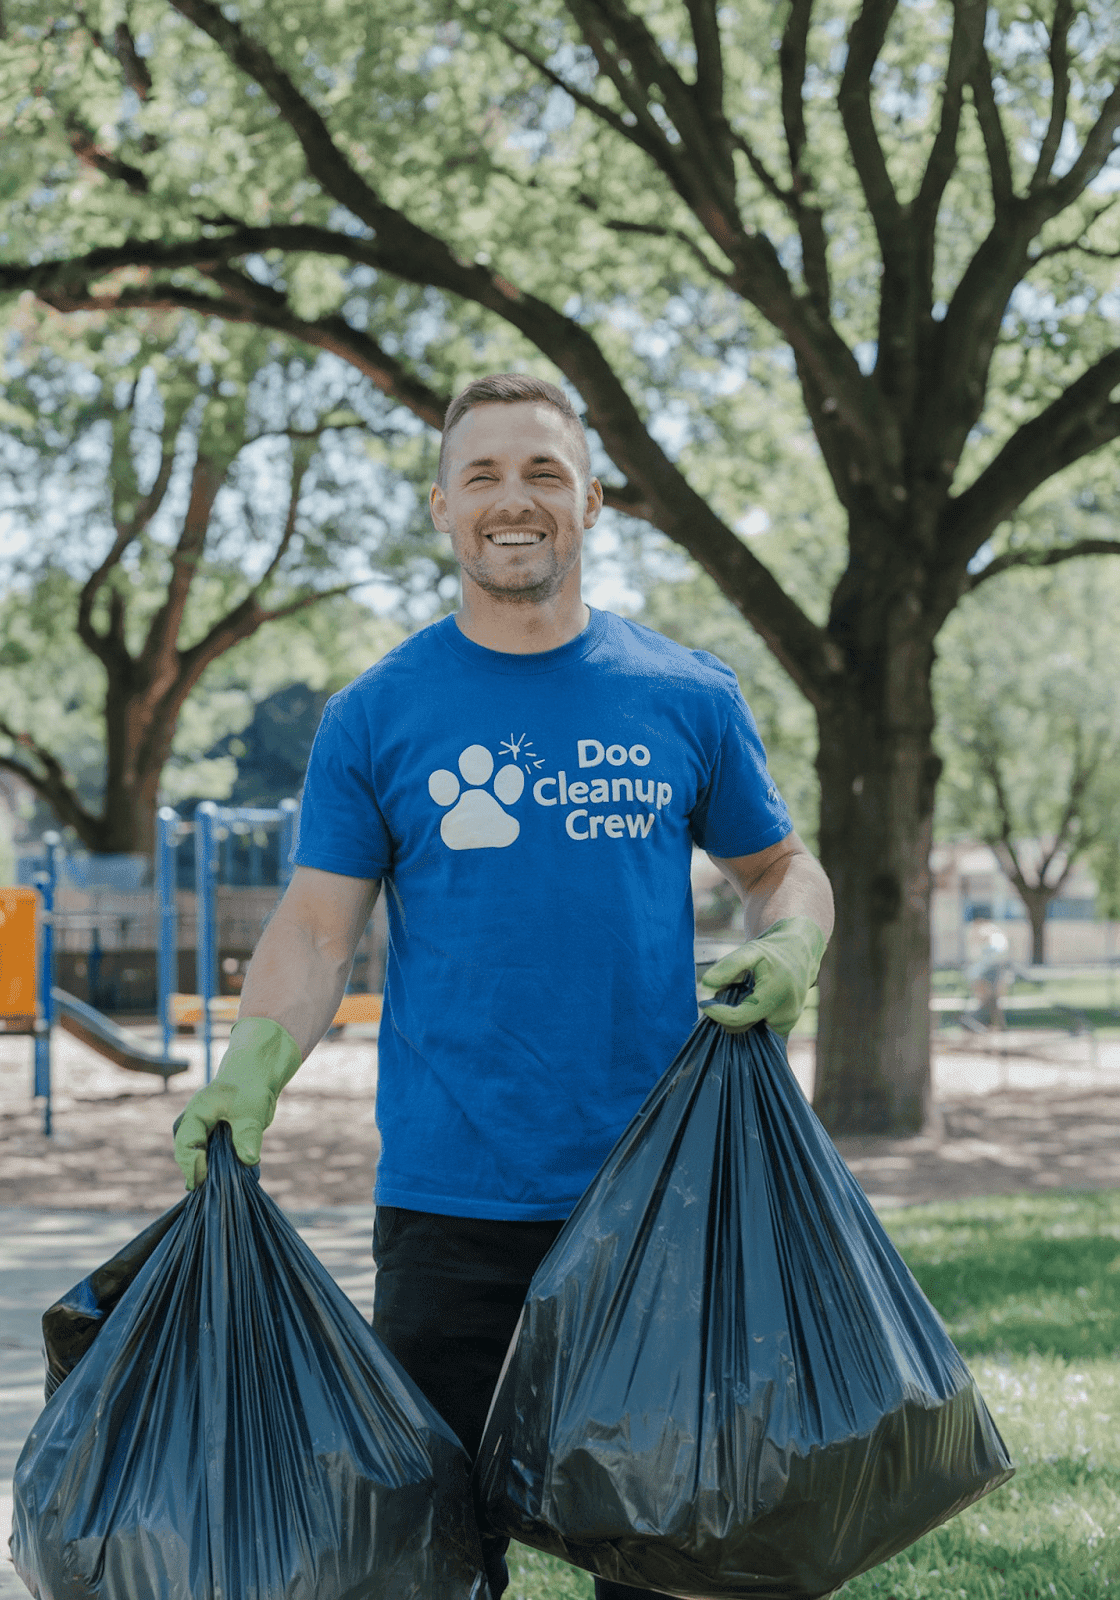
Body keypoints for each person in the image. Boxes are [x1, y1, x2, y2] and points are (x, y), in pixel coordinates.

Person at [173, 373, 835, 1600]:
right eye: (481, 474)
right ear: (441, 507)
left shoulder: (687, 694)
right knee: (429, 1568)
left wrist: (790, 942)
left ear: (592, 501)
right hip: (447, 1211)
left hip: (652, 1210)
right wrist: (247, 1066)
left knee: (672, 1564)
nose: (512, 499)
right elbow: (318, 929)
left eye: (541, 472)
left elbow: (780, 867)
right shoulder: (375, 714)